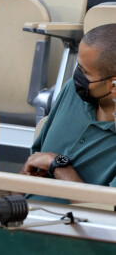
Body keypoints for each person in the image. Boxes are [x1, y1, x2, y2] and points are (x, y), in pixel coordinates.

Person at [20, 23, 116, 204]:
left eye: (84, 72)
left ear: (113, 85)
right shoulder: (72, 91)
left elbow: (104, 211)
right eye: (78, 66)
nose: (76, 77)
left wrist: (58, 166)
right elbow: (32, 163)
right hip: (25, 216)